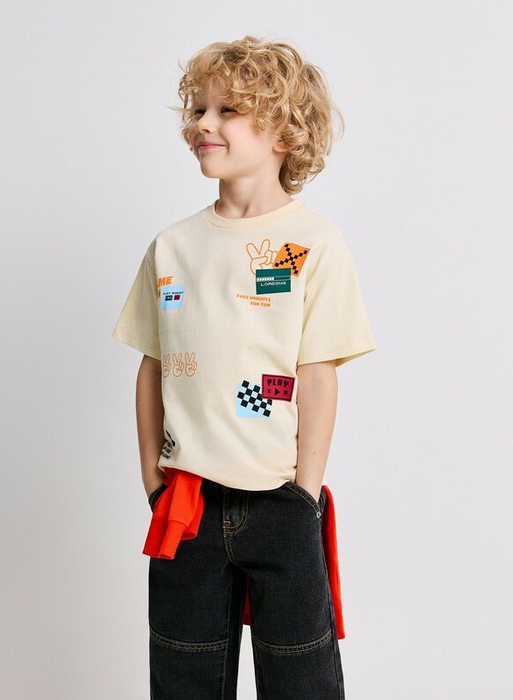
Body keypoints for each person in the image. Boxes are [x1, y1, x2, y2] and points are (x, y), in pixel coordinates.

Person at [112, 35, 376, 700]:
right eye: (198, 109)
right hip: (186, 505)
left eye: (226, 110)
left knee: (301, 680)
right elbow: (152, 367)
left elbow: (316, 375)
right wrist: (152, 480)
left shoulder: (312, 244)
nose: (203, 123)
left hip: (280, 502)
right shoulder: (172, 247)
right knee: (184, 679)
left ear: (283, 132)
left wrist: (304, 496)